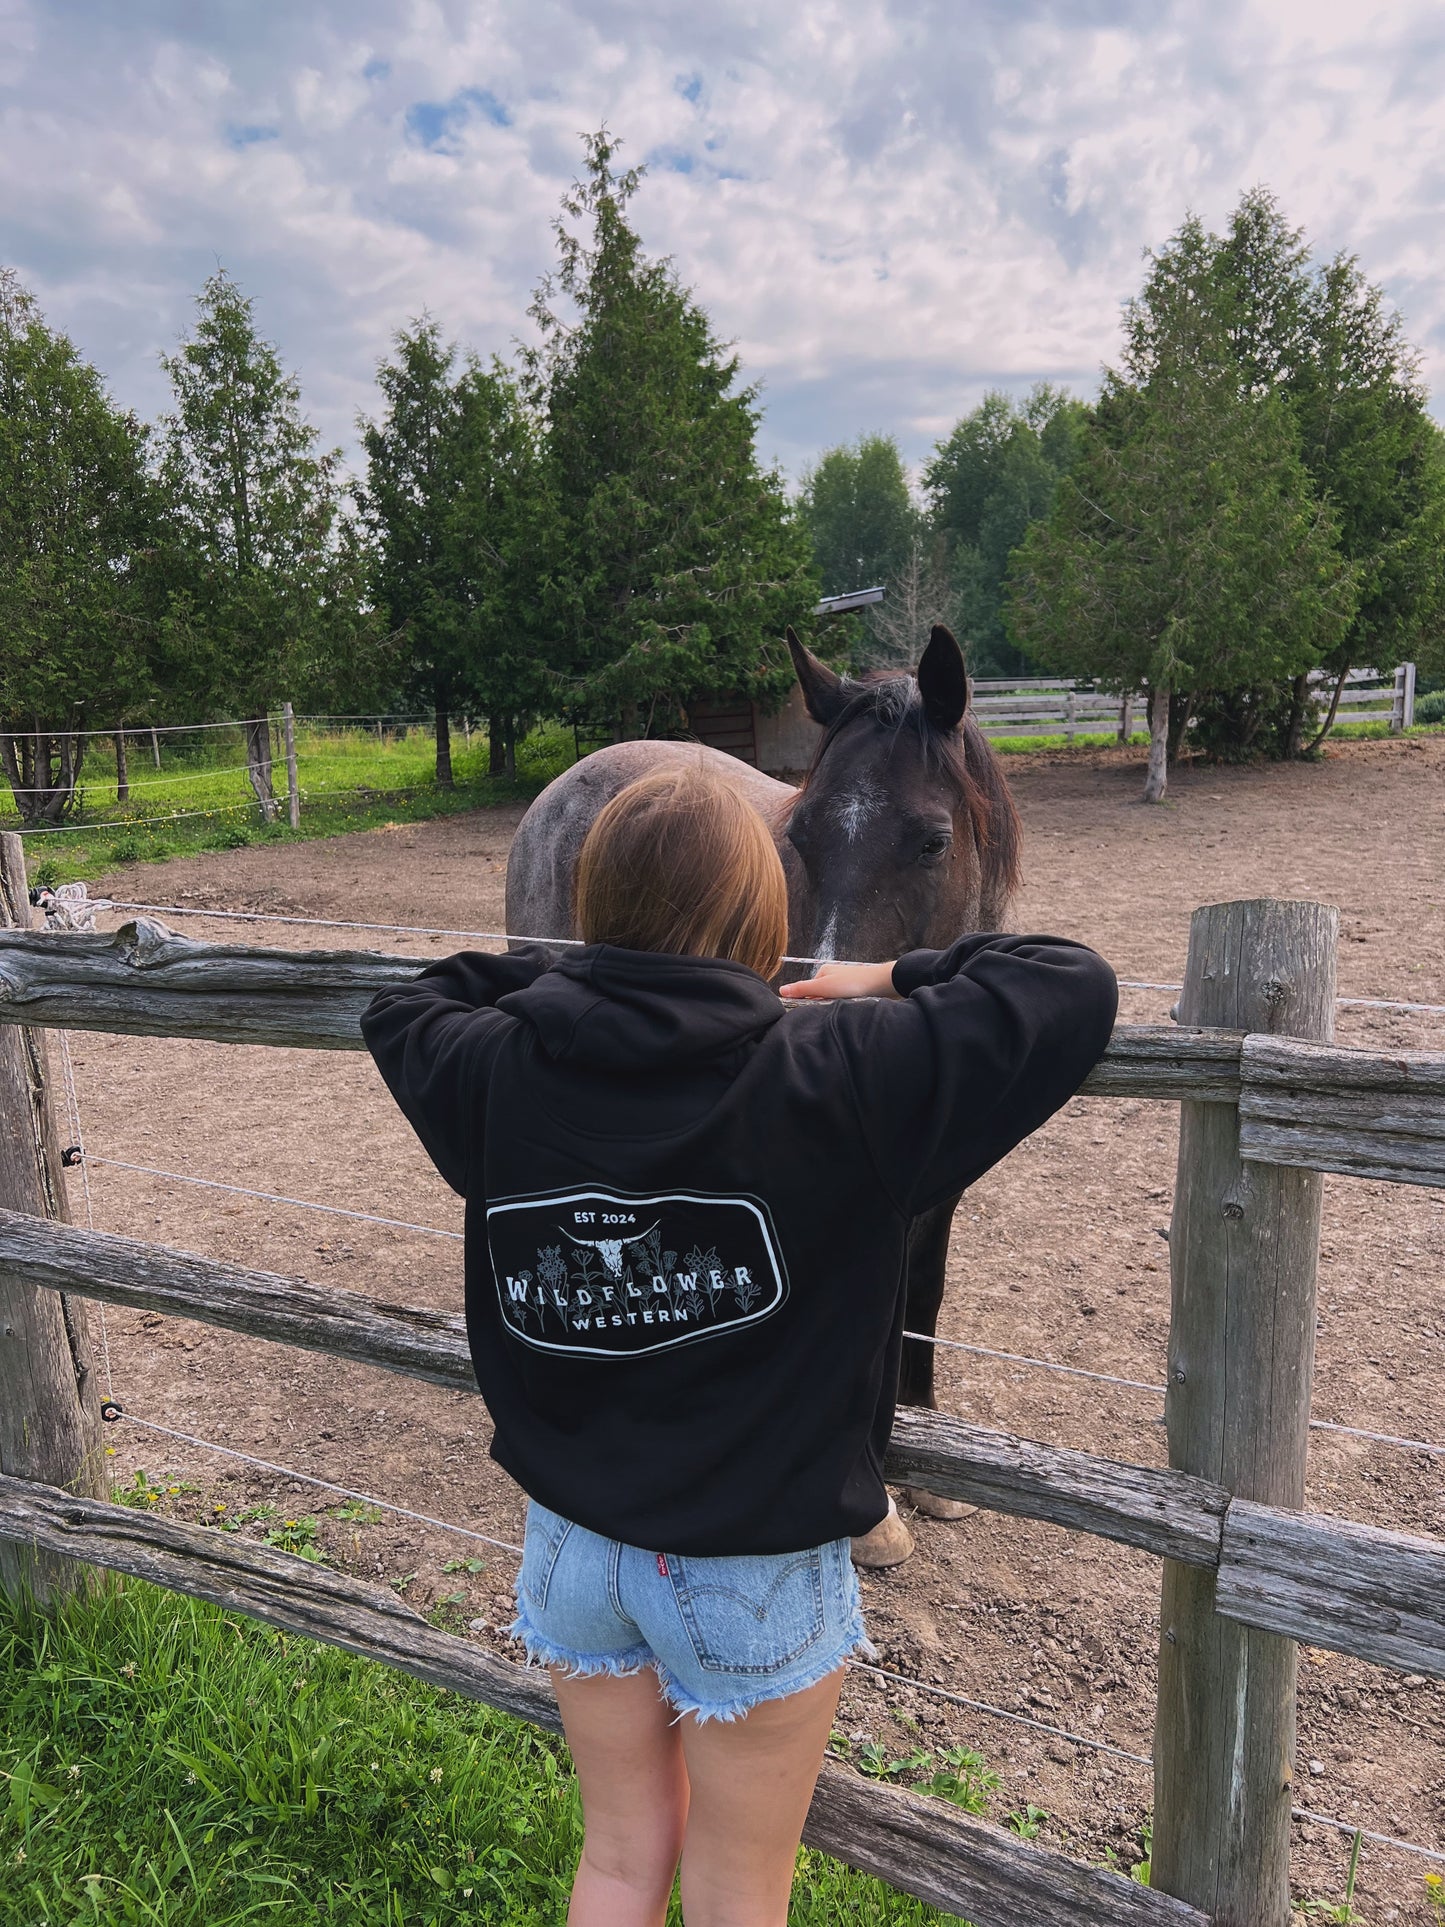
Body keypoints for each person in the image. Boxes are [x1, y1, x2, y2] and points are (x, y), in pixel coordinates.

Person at [362, 762, 1117, 1927]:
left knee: (616, 1858)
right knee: (736, 1888)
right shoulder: (843, 1070)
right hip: (750, 1566)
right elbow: (1066, 980)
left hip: (570, 1545)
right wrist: (888, 971)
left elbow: (416, 993)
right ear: (769, 914)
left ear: (590, 910)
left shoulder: (495, 1069)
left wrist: (579, 974)